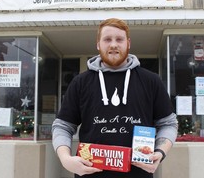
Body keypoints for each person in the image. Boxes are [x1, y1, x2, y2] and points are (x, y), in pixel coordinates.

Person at [52, 18, 178, 178]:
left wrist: (160, 152)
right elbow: (63, 126)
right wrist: (65, 158)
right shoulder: (80, 82)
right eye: (107, 39)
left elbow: (168, 124)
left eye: (119, 39)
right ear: (98, 44)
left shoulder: (151, 81)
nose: (113, 44)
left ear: (128, 43)